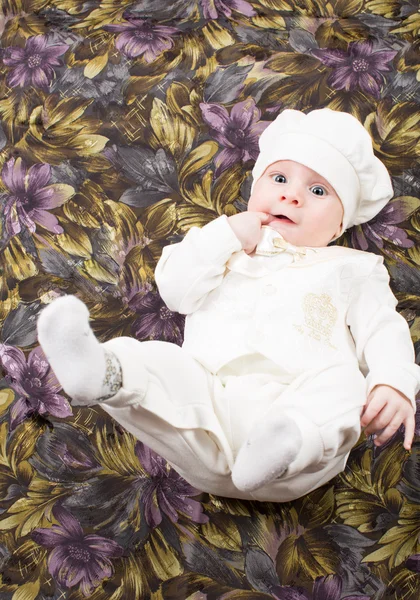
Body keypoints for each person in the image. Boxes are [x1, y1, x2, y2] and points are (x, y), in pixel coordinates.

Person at [37, 108, 420, 502]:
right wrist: (226, 236)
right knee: (165, 364)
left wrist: (394, 381)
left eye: (318, 191)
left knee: (345, 384)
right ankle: (104, 374)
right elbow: (174, 290)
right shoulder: (223, 248)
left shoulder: (353, 269)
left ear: (340, 226)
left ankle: (289, 436)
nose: (292, 195)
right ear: (256, 191)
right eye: (280, 178)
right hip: (207, 414)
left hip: (295, 447)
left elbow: (383, 327)